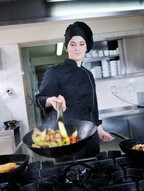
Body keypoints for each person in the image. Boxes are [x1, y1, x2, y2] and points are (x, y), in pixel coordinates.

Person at [35, 21, 114, 159]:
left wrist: (99, 128)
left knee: (93, 174)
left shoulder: (88, 74)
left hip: (90, 136)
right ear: (67, 47)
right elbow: (40, 99)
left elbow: (92, 107)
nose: (77, 48)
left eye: (81, 44)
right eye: (72, 44)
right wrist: (51, 100)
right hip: (68, 139)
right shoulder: (54, 72)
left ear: (86, 47)